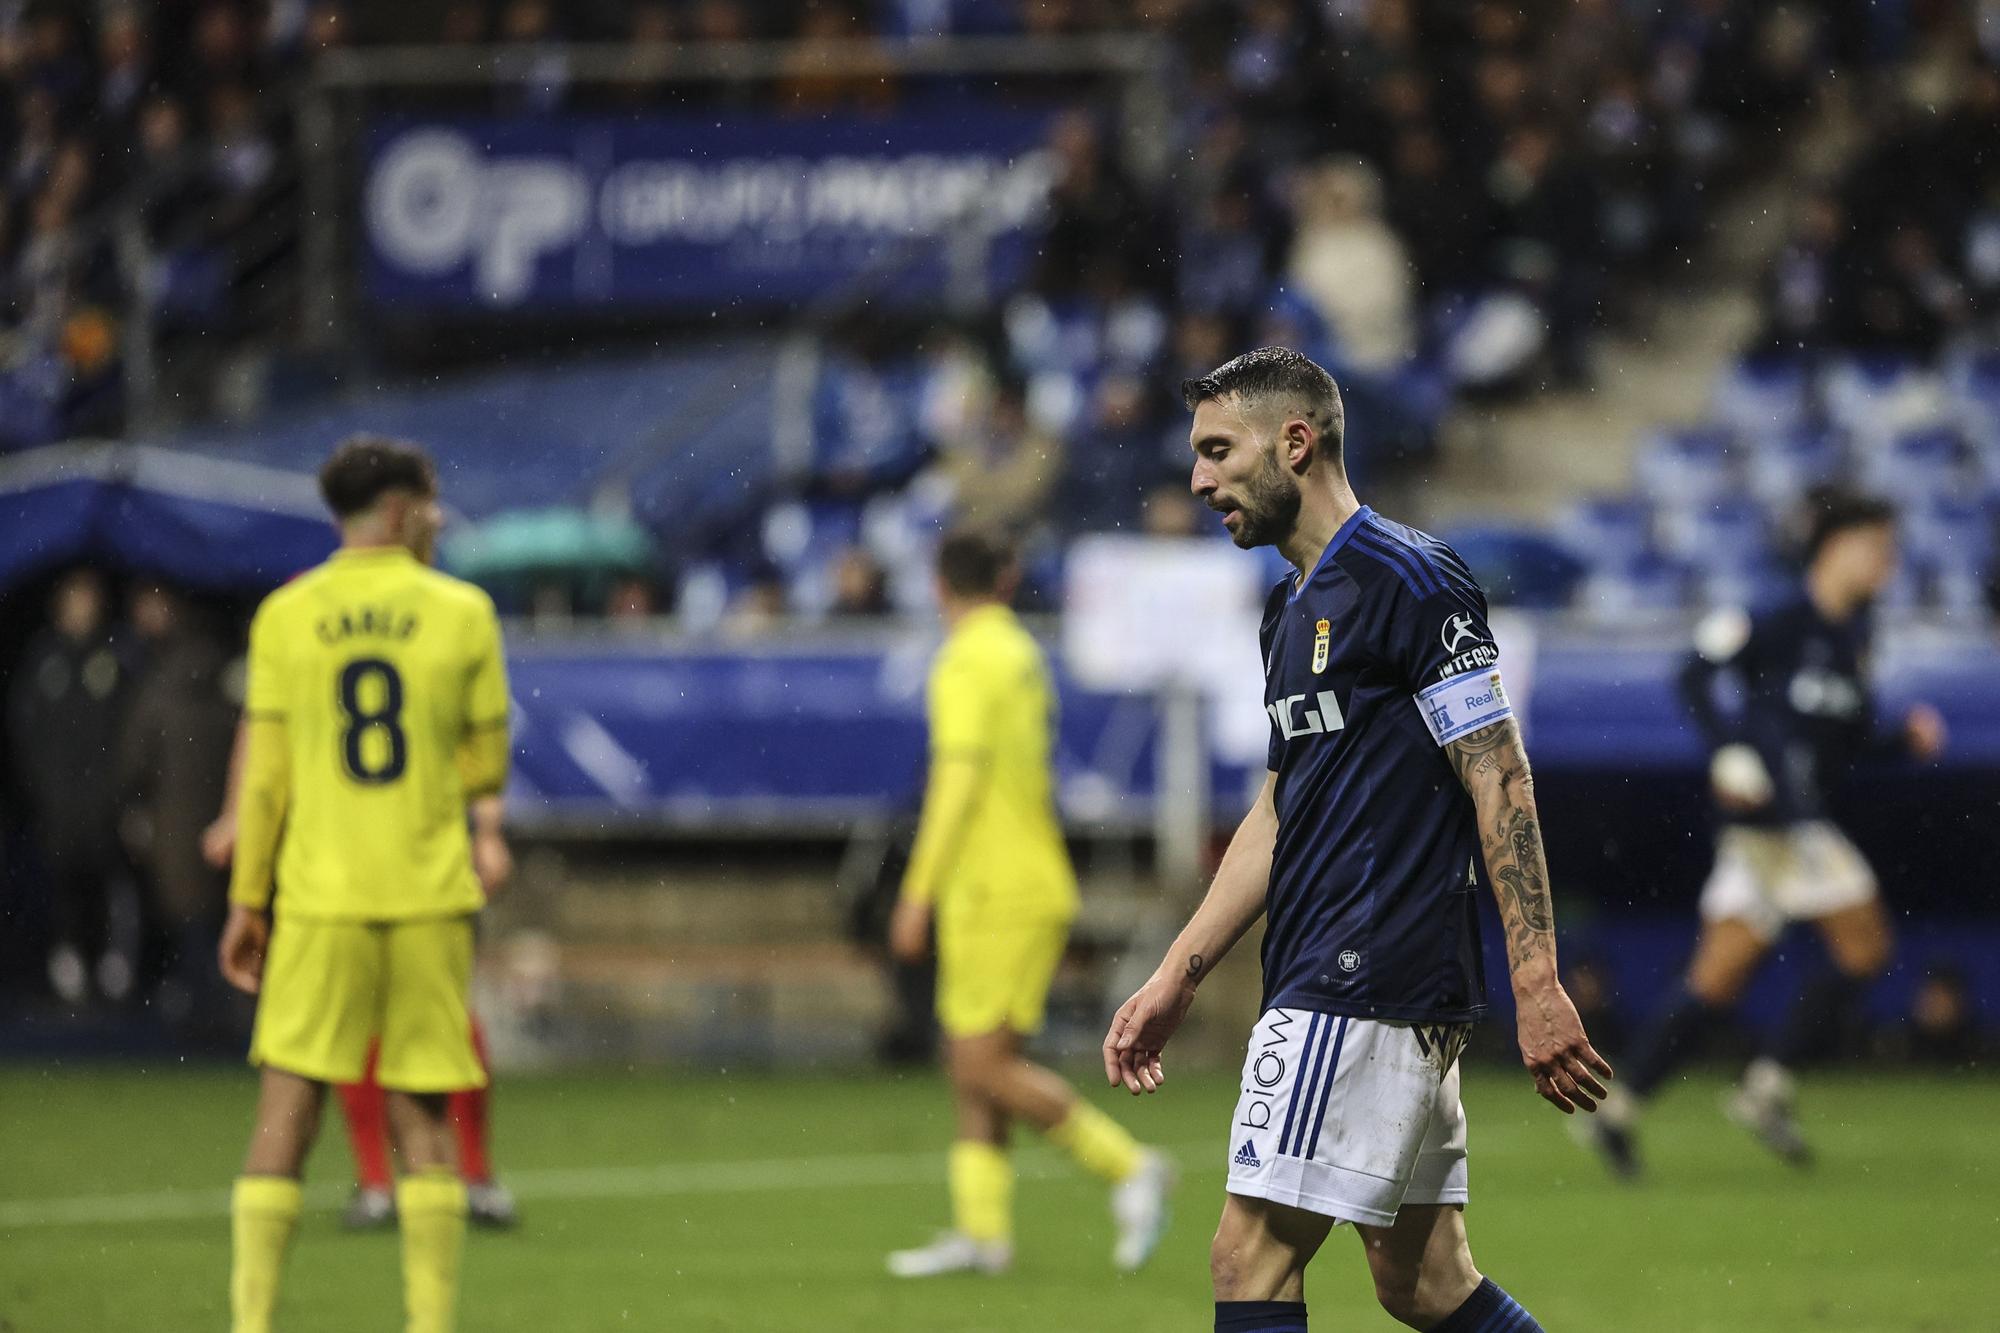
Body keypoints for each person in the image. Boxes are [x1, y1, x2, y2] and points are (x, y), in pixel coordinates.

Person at [1103, 347, 1611, 1333]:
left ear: (1295, 443)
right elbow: (1276, 810)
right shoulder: (1285, 609)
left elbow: (1496, 773)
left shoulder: (1409, 578)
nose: (1198, 479)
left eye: (1217, 450)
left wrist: (1536, 979)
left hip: (1360, 971)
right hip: (1355, 977)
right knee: (1421, 1283)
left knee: (1244, 1258)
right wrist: (1179, 970)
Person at [218, 436, 512, 1333]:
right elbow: (486, 758)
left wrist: (247, 899)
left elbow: (266, 780)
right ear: (395, 510)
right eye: (427, 502)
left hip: (318, 898)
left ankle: (252, 1322)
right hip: (426, 895)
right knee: (424, 1113)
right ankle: (428, 1324)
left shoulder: (286, 614)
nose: (435, 516)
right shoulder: (462, 611)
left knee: (287, 1108)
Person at [1580, 486, 1945, 1175]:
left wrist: (1903, 743)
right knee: (1866, 947)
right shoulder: (1776, 618)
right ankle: (1766, 1085)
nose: (1886, 564)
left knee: (1716, 979)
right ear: (1836, 547)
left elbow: (1847, 739)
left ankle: (1620, 1107)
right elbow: (1693, 670)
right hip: (1774, 824)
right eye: (1876, 548)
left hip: (1789, 824)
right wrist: (1727, 747)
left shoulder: (1855, 635)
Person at [885, 528, 1173, 1278]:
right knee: (971, 1059)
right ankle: (984, 1234)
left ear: (938, 584)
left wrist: (915, 892)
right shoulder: (1017, 651)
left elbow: (957, 781)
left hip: (993, 888)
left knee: (981, 1062)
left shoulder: (964, 659)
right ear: (1006, 581)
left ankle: (1129, 1166)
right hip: (1021, 877)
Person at [7, 568, 133, 1005]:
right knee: (63, 887)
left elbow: (130, 732)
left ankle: (117, 967)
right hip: (59, 805)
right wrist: (42, 788)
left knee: (114, 886)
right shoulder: (46, 659)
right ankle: (69, 960)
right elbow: (25, 730)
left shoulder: (117, 655)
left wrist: (120, 792)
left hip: (105, 804)